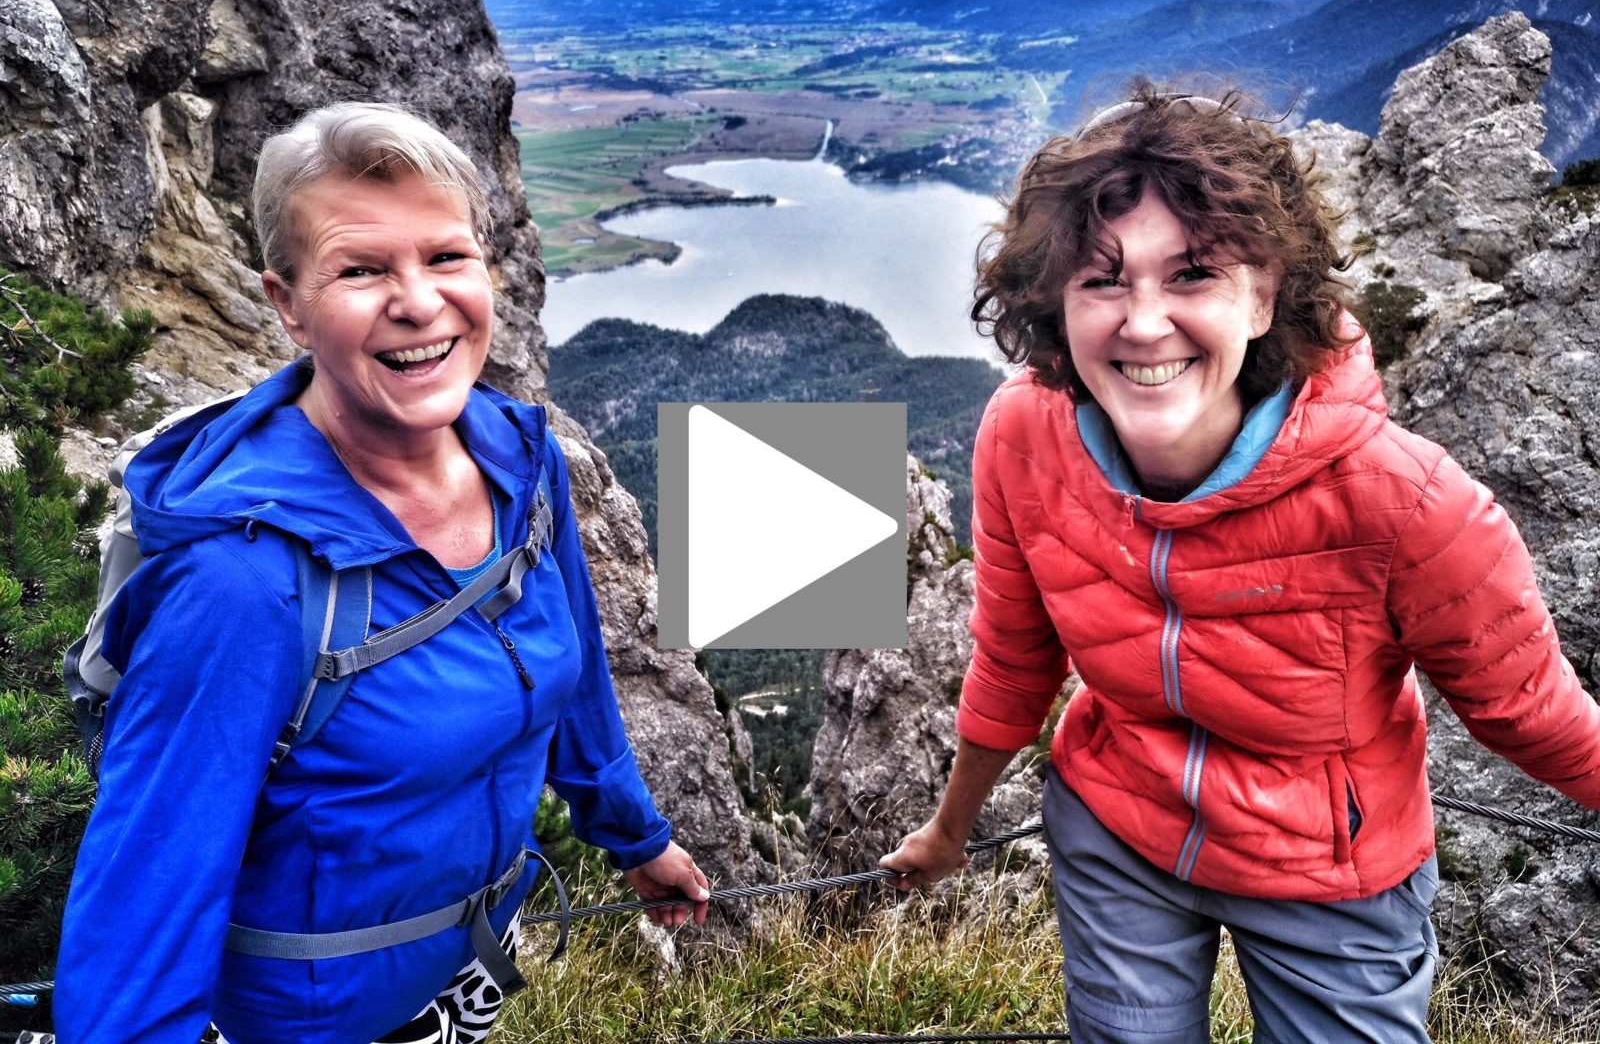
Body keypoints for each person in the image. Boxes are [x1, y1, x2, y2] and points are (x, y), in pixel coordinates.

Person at [882, 85, 1600, 1043]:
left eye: (1192, 275)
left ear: (1263, 295)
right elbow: (1015, 658)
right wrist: (950, 831)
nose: (1144, 322)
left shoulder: (1404, 500)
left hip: (1331, 876)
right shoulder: (1023, 433)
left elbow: (1530, 710)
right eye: (1102, 280)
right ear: (1056, 302)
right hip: (1118, 833)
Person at [55, 103, 710, 1044]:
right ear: (287, 304)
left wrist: (634, 836)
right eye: (361, 270)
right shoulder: (242, 586)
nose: (417, 301)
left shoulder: (522, 459)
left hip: (470, 973)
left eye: (446, 256)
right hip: (316, 1023)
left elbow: (577, 679)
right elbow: (141, 921)